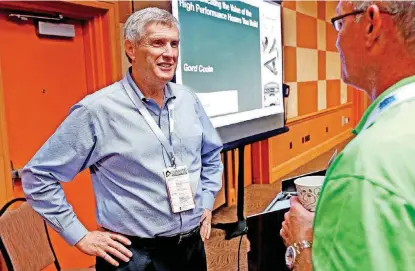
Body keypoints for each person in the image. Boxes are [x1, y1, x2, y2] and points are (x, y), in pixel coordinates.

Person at [22, 7, 223, 271]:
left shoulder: (188, 100)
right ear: (131, 49)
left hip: (190, 248)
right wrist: (78, 235)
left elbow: (210, 155)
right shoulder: (97, 111)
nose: (170, 53)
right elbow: (37, 176)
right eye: (158, 43)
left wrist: (206, 202)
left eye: (174, 43)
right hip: (134, 257)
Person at [280, 1, 415, 270]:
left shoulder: (366, 166)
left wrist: (300, 245)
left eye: (340, 24)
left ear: (371, 24)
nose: (337, 43)